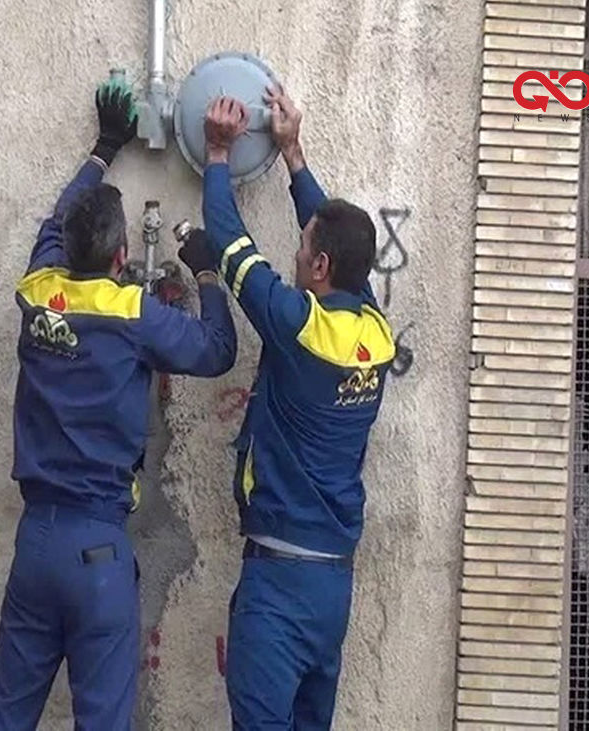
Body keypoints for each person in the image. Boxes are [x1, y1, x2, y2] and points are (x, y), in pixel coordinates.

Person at [0, 77, 238, 731]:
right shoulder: (133, 313)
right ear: (124, 257)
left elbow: (56, 219)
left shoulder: (38, 290)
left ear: (68, 250)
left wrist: (103, 148)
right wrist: (207, 271)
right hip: (97, 549)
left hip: (37, 540)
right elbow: (216, 352)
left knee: (6, 717)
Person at [201, 86, 395, 729]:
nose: (295, 252)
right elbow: (341, 254)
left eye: (303, 245)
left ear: (318, 265)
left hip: (279, 588)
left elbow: (229, 244)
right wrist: (293, 156)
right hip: (331, 585)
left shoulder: (297, 324)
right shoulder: (372, 332)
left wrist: (217, 154)